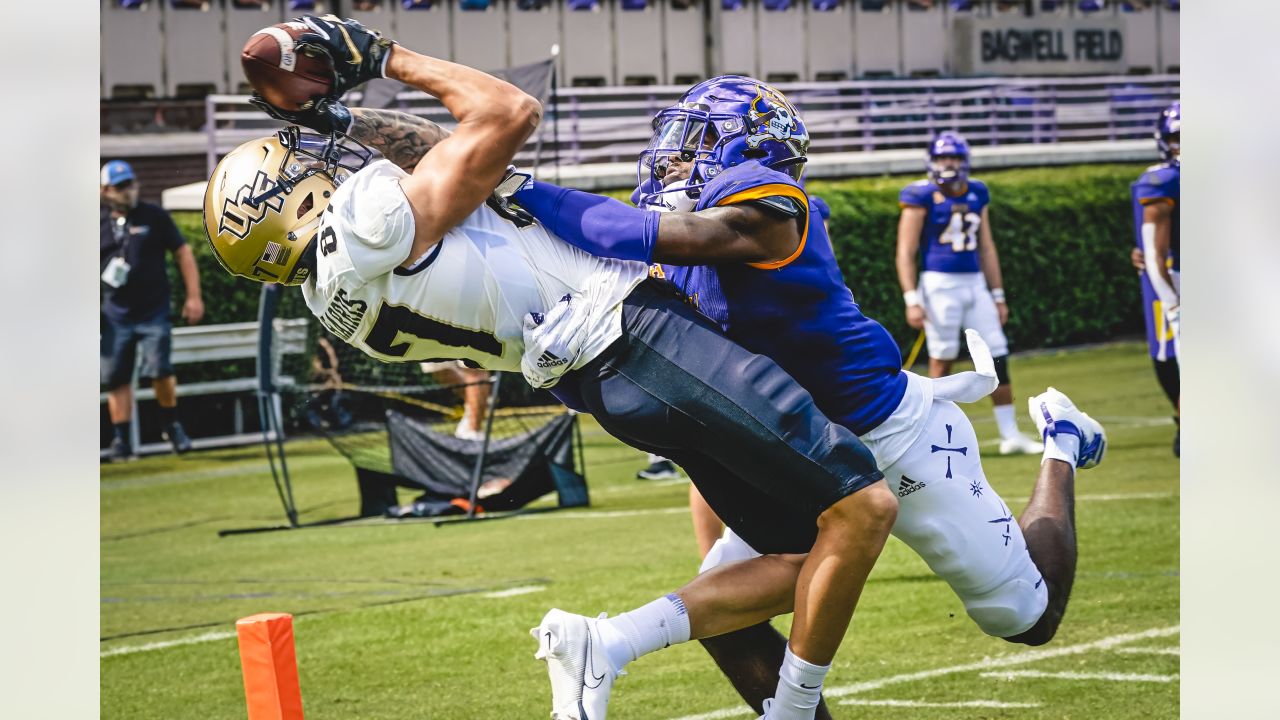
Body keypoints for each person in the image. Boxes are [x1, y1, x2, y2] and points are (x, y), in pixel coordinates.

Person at [203, 18, 897, 720]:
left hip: (606, 382)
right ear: (290, 201)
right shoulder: (362, 222)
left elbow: (457, 155)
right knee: (864, 504)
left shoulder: (338, 296)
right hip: (639, 339)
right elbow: (508, 113)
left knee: (803, 552)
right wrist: (388, 58)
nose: (324, 163)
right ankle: (688, 674)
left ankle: (616, 644)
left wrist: (343, 115)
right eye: (302, 169)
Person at [512, 76, 1107, 718]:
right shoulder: (671, 241)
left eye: (702, 139)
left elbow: (658, 234)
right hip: (801, 450)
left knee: (1026, 617)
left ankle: (1061, 442)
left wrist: (518, 186)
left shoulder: (774, 206)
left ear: (753, 153)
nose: (677, 154)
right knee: (724, 610)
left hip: (895, 441)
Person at [894, 132, 1043, 455]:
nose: (949, 164)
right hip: (938, 284)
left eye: (955, 158)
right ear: (931, 162)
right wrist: (911, 298)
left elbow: (987, 247)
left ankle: (1010, 434)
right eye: (943, 158)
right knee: (942, 358)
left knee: (997, 353)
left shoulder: (977, 191)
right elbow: (905, 251)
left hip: (975, 282)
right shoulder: (920, 195)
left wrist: (998, 294)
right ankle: (930, 435)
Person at [101, 159, 204, 461]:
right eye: (119, 187)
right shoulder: (94, 224)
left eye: (129, 184)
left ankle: (171, 424)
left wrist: (193, 296)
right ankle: (121, 440)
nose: (127, 191)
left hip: (154, 311)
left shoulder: (154, 216)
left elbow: (183, 253)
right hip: (115, 315)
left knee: (160, 369)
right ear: (104, 190)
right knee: (116, 377)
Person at [1129, 101, 1180, 457]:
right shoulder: (1162, 179)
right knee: (1168, 352)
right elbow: (1152, 243)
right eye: (1178, 137)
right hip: (1175, 275)